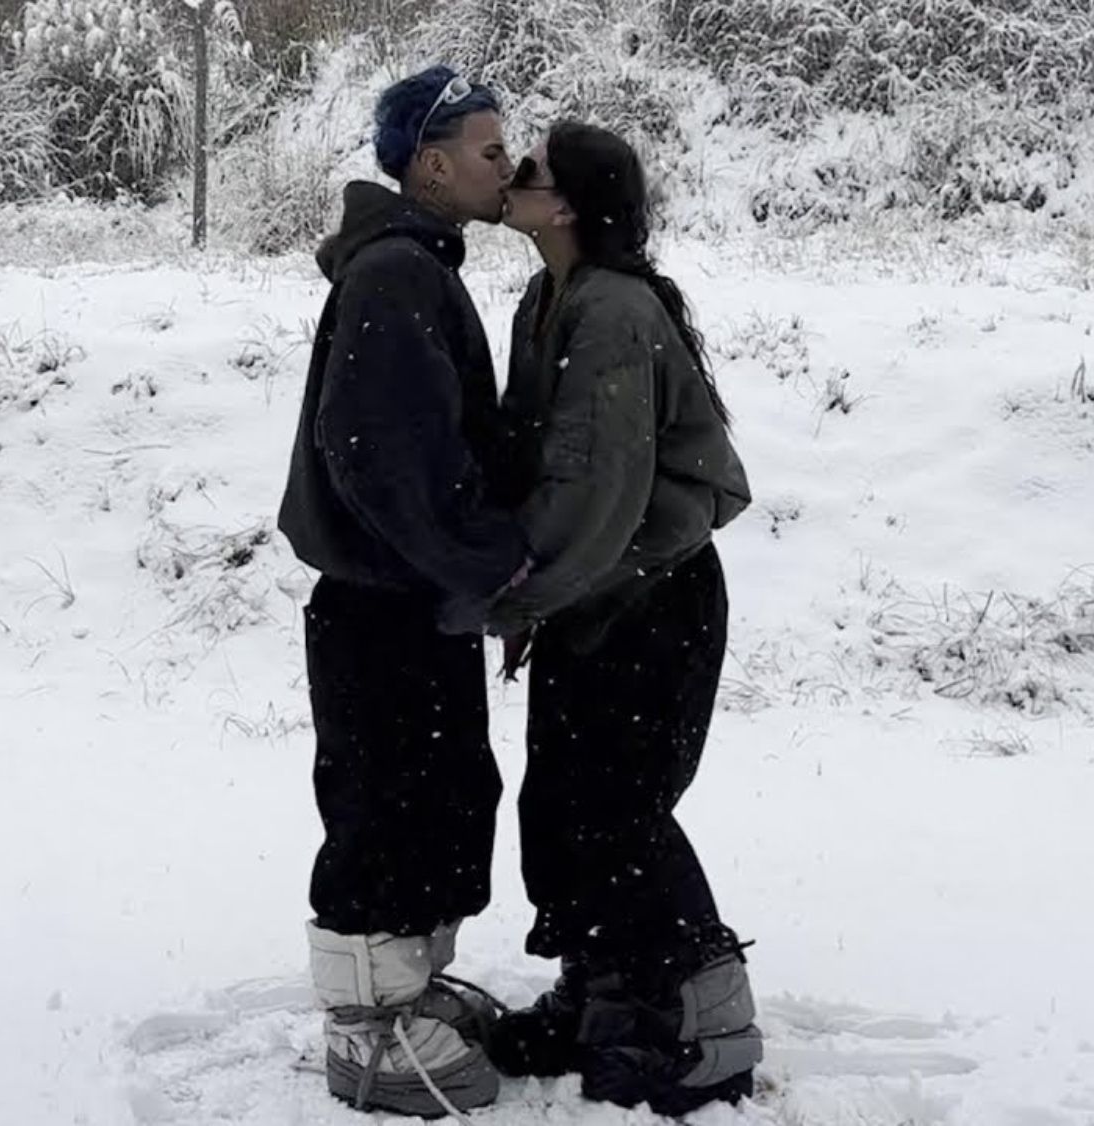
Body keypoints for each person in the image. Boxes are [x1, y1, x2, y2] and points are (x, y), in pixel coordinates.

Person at [478, 121, 762, 1116]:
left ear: (567, 206)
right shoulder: (546, 297)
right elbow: (535, 464)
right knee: (564, 809)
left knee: (618, 815)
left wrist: (507, 595)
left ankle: (711, 1024)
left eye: (529, 171)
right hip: (595, 596)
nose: (509, 177)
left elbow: (591, 493)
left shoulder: (609, 312)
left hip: (651, 600)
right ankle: (599, 995)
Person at [276, 65, 529, 1117]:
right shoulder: (394, 275)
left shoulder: (421, 263)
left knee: (438, 795)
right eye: (486, 149)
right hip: (380, 602)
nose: (504, 165)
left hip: (406, 597)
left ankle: (406, 990)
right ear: (429, 163)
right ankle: (370, 1032)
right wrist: (483, 559)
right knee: (386, 807)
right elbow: (377, 452)